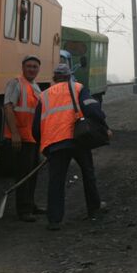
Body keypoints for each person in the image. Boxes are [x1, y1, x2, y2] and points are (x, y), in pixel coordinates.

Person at [40, 63, 110, 229]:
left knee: (56, 181)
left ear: (54, 78)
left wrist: (45, 146)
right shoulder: (78, 88)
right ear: (69, 76)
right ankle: (94, 208)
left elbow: (37, 125)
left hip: (55, 142)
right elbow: (93, 109)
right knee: (88, 173)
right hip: (78, 140)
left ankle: (54, 220)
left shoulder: (44, 95)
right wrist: (104, 126)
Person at [2, 56, 45, 221]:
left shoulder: (35, 87)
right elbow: (8, 107)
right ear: (23, 67)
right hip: (21, 138)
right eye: (29, 66)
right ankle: (24, 210)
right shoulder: (16, 83)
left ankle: (31, 204)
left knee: (32, 174)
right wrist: (14, 133)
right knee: (23, 174)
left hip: (32, 137)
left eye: (35, 67)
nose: (32, 69)